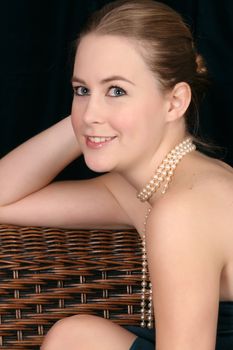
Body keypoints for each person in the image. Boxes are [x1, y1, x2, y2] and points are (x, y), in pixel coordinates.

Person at [0, 0, 232, 349]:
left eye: (117, 90)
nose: (91, 110)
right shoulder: (144, 188)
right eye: (81, 90)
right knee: (73, 338)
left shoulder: (185, 209)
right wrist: (88, 124)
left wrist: (97, 121)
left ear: (174, 103)